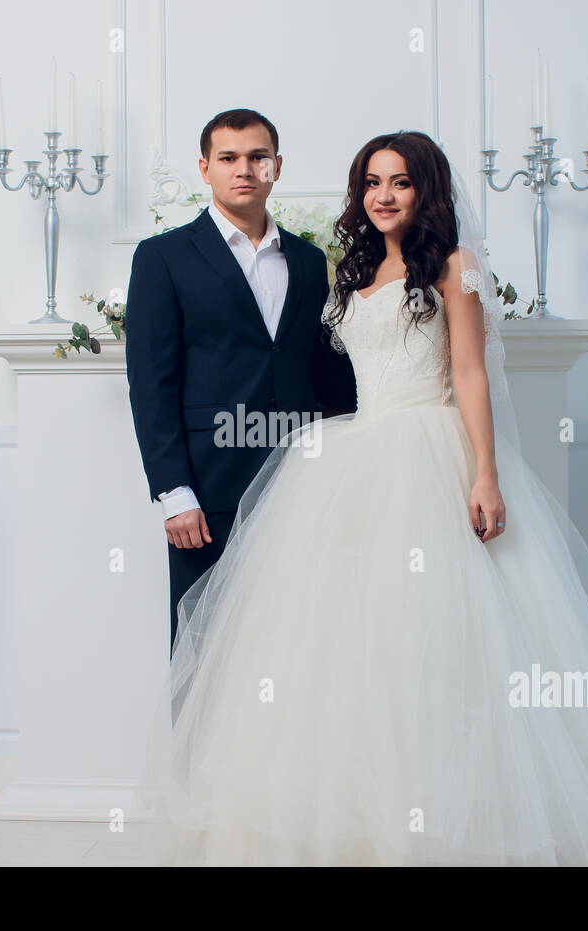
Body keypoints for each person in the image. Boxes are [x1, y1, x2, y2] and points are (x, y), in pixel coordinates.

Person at [130, 130, 588, 866]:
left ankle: (462, 819)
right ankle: (351, 818)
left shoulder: (456, 266)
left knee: (445, 641)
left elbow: (470, 374)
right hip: (350, 457)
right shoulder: (348, 269)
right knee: (353, 647)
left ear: (427, 190)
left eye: (401, 181)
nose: (384, 194)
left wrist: (485, 472)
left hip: (430, 454)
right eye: (372, 181)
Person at [125, 108, 357, 654]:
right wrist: (173, 493)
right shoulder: (162, 258)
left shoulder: (306, 260)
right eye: (228, 158)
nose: (244, 169)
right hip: (208, 490)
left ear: (278, 167)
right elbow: (151, 383)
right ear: (205, 169)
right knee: (204, 648)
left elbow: (326, 373)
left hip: (301, 482)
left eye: (257, 157)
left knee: (297, 639)